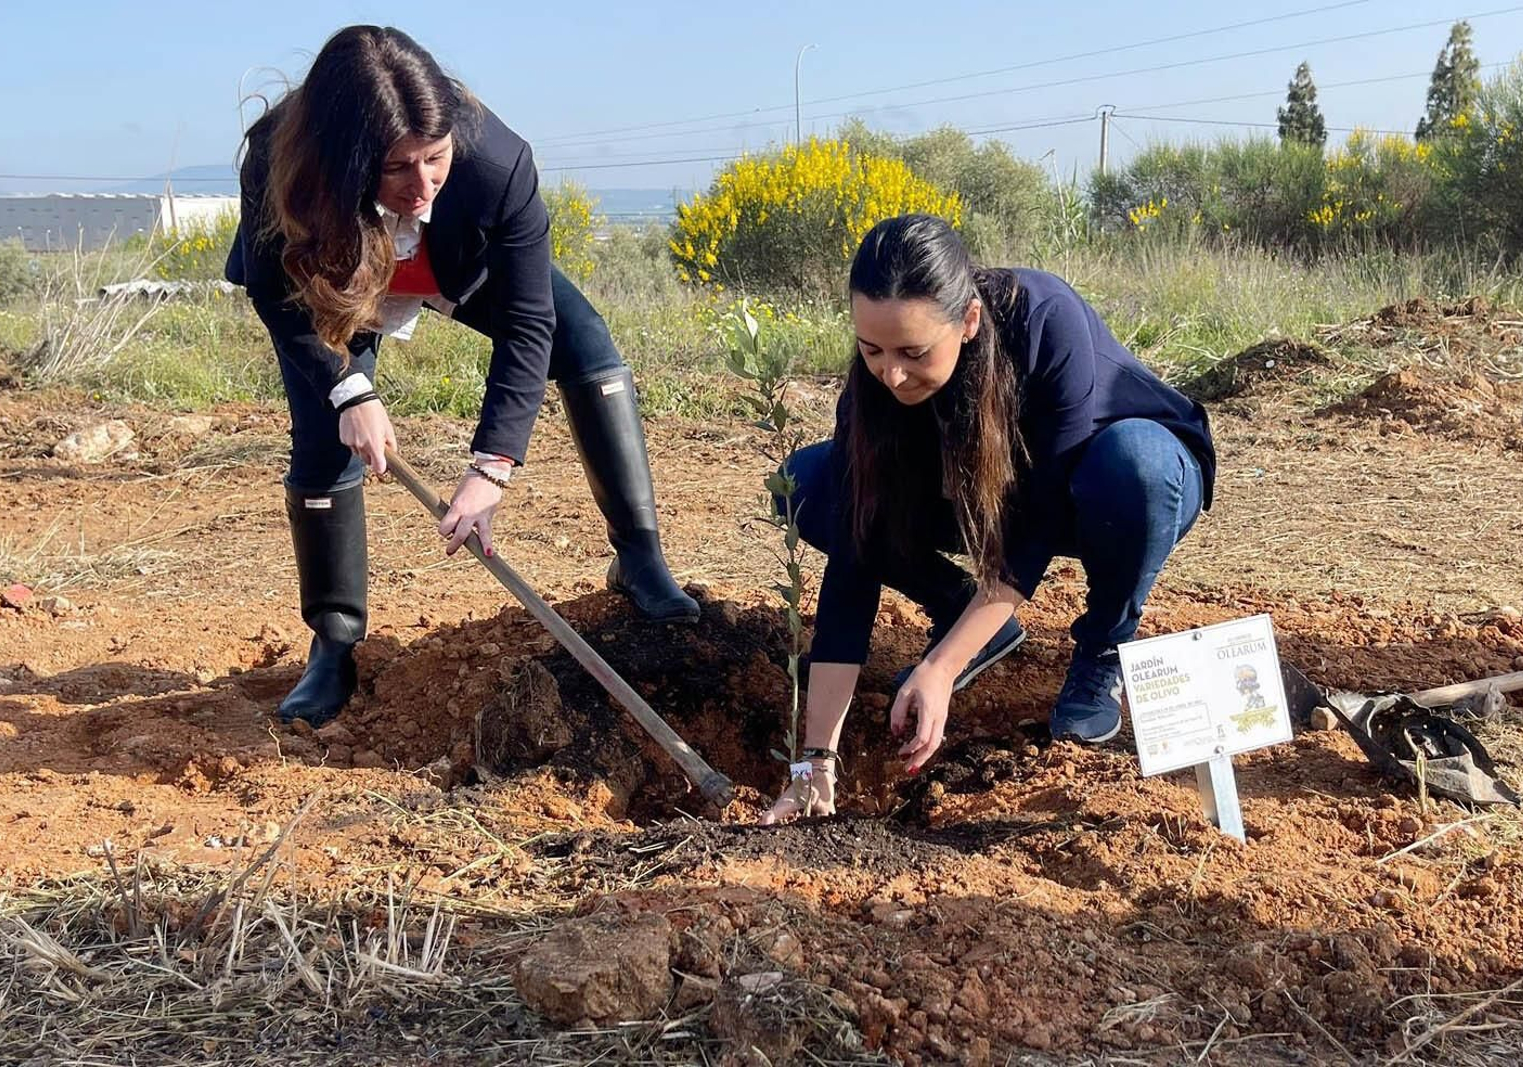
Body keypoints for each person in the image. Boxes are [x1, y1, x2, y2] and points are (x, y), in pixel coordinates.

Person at [226, 25, 698, 728]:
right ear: (345, 157)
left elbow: (531, 321)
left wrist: (492, 465)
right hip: (340, 275)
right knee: (326, 442)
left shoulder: (498, 162)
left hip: (453, 267)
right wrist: (350, 386)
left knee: (588, 345)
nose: (422, 187)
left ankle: (641, 561)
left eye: (435, 159)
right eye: (397, 168)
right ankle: (333, 643)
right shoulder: (279, 160)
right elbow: (274, 290)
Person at [761, 214, 1216, 824]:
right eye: (872, 349)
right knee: (814, 486)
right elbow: (855, 554)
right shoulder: (875, 388)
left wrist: (941, 668)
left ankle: (1103, 651)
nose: (891, 373)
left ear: (968, 320)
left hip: (1109, 492)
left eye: (914, 352)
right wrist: (814, 762)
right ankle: (971, 619)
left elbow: (1033, 526)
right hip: (993, 497)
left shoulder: (1045, 322)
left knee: (1133, 465)